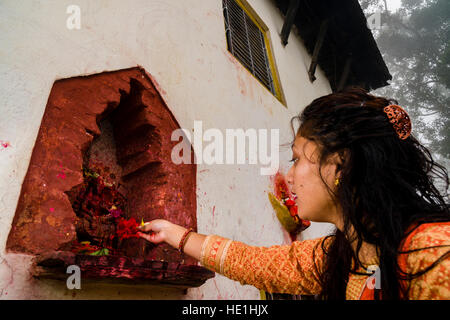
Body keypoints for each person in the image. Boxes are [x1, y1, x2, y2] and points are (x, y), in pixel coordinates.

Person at [137, 86, 450, 300]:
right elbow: (251, 262)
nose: (288, 175)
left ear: (341, 165)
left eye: (297, 159)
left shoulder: (434, 252)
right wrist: (172, 233)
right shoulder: (341, 254)